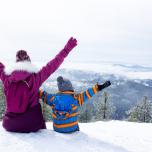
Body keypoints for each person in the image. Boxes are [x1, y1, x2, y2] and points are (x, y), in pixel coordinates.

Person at [0, 37, 77, 133]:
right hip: (31, 124)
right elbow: (53, 64)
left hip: (10, 124)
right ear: (29, 61)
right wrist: (67, 49)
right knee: (36, 106)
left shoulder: (7, 77)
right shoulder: (35, 78)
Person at [39, 76, 111, 133]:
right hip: (72, 129)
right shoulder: (76, 98)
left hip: (57, 129)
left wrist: (34, 89)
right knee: (74, 123)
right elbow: (87, 94)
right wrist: (97, 87)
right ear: (70, 87)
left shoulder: (53, 99)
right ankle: (75, 129)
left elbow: (43, 95)